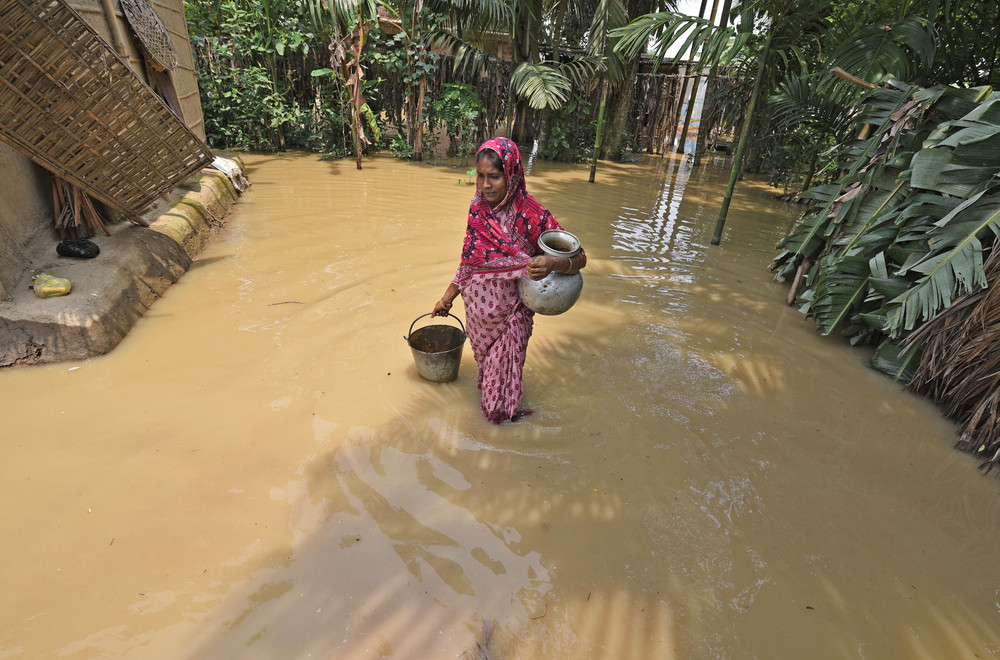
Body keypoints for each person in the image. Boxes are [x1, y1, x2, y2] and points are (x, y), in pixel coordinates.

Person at [432, 137, 586, 424]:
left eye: (494, 176)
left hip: (511, 317)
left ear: (512, 174)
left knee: (495, 408)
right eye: (480, 176)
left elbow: (580, 259)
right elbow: (469, 262)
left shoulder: (533, 215)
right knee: (490, 374)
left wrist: (552, 262)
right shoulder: (478, 208)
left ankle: (500, 432)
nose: (485, 185)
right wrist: (447, 298)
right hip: (478, 317)